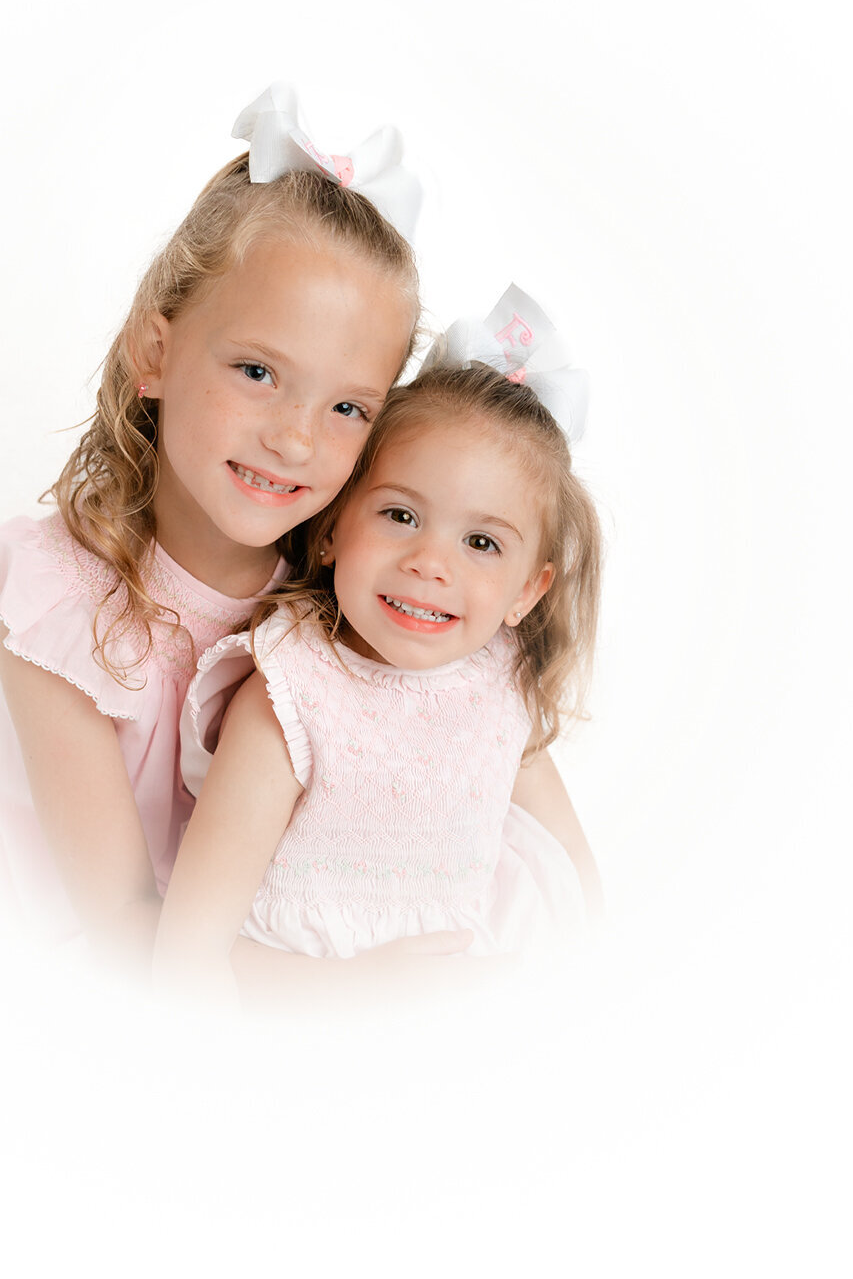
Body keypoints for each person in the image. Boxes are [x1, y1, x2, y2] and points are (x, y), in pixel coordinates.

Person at [0, 84, 432, 972]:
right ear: (158, 353)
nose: (296, 437)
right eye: (258, 371)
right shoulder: (56, 608)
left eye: (346, 406)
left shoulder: (342, 594)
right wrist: (364, 990)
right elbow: (128, 940)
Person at [155, 286, 604, 1007]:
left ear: (529, 589)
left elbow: (579, 884)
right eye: (400, 514)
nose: (432, 563)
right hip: (304, 1010)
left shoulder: (501, 684)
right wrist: (360, 992)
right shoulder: (292, 698)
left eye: (482, 542)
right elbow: (188, 951)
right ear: (334, 527)